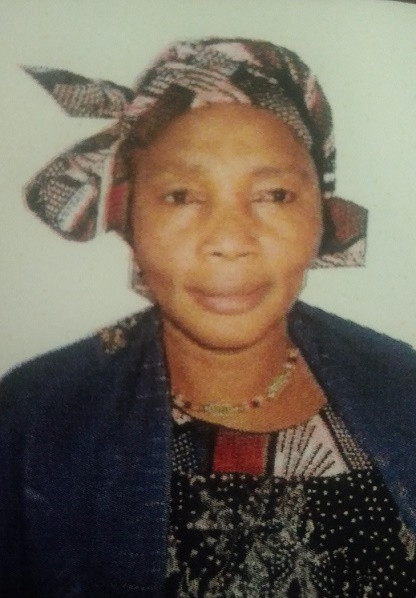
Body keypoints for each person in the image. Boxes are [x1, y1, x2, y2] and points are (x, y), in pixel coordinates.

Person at [1, 38, 415, 598]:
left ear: (323, 213)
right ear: (128, 215)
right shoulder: (35, 422)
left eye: (274, 194)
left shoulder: (402, 385)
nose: (229, 241)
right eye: (181, 196)